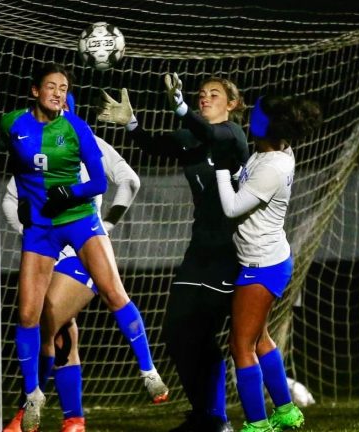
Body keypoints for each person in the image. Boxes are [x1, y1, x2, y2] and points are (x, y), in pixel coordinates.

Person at [1, 63, 168, 432]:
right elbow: (11, 200)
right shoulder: (26, 141)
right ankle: (72, 418)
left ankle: (29, 409)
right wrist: (27, 226)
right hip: (49, 245)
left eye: (64, 93)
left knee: (49, 323)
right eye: (52, 89)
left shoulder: (85, 137)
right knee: (59, 329)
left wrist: (107, 226)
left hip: (80, 247)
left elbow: (128, 180)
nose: (59, 101)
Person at [97, 73, 249, 432]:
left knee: (209, 333)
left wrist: (180, 108)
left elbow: (211, 134)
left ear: (232, 104)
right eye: (201, 93)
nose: (204, 97)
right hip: (200, 250)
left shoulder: (232, 136)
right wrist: (131, 123)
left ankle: (217, 419)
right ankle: (206, 415)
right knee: (177, 331)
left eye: (215, 94)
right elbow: (153, 145)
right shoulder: (191, 138)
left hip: (230, 249)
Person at [211, 95, 323, 432]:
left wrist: (221, 169)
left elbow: (232, 208)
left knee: (240, 346)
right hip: (269, 259)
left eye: (254, 114)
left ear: (262, 126)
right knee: (260, 339)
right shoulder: (273, 152)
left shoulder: (273, 166)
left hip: (261, 265)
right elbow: (249, 179)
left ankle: (258, 425)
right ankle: (286, 411)